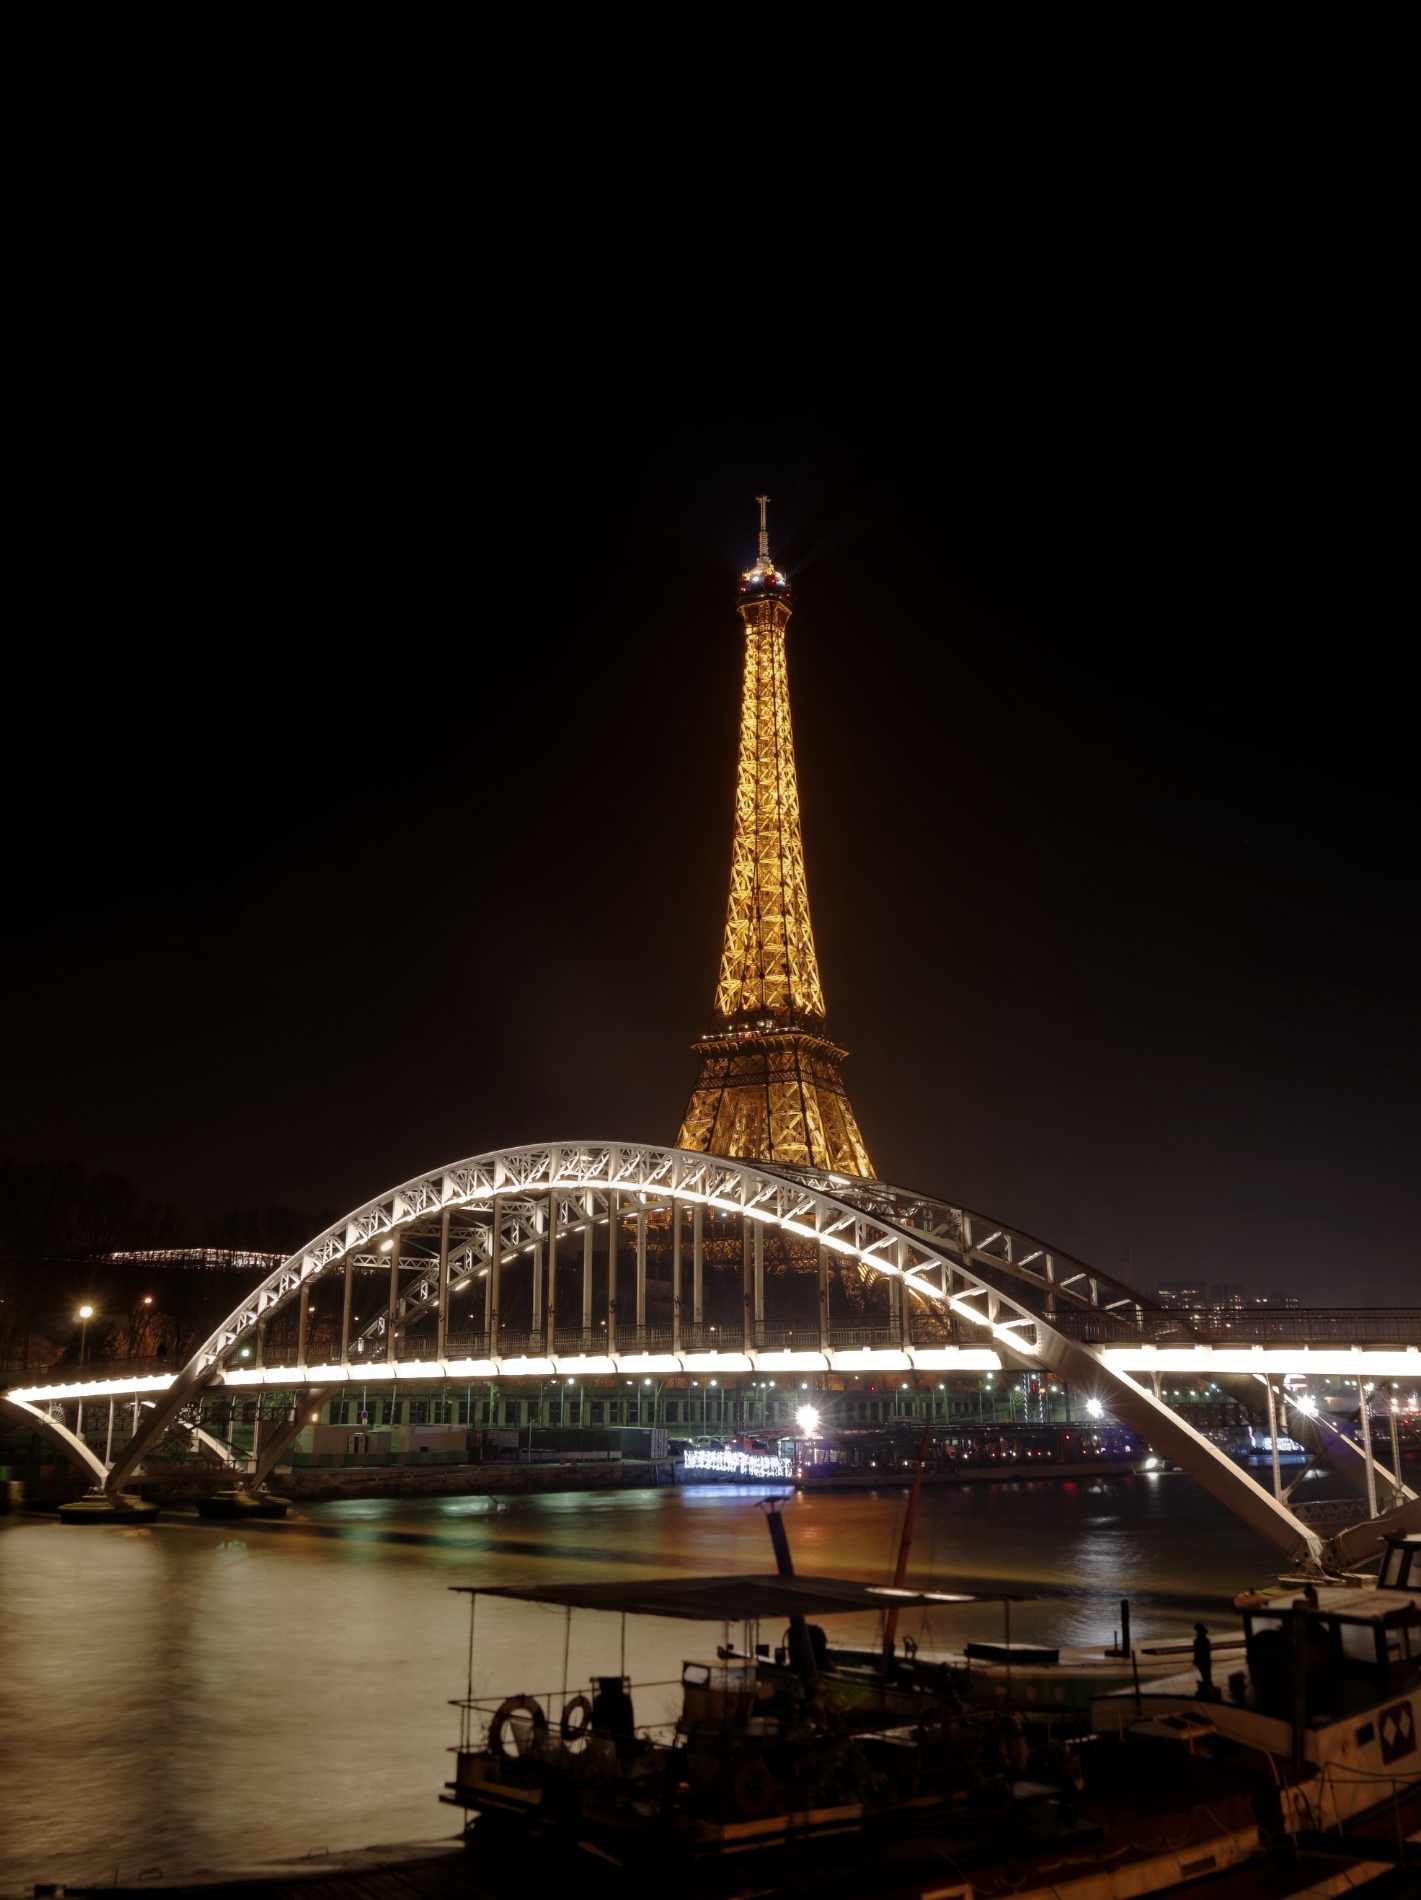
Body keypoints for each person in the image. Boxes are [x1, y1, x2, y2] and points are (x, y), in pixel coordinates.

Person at [1193, 1622, 1214, 1696]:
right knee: (1207, 1675)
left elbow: (1198, 1651)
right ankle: (1209, 1688)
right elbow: (1207, 1652)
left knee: (1205, 1675)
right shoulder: (1205, 1641)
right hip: (1205, 1660)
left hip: (1203, 1660)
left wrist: (1196, 1659)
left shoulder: (1198, 1641)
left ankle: (1208, 1689)